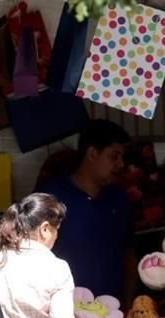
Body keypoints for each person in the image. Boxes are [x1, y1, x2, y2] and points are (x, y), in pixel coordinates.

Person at [36, 119, 137, 308]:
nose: (121, 164)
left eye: (122, 157)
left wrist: (129, 305)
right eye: (114, 156)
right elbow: (31, 256)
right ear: (92, 153)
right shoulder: (51, 197)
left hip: (111, 313)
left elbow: (128, 255)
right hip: (61, 314)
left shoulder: (119, 199)